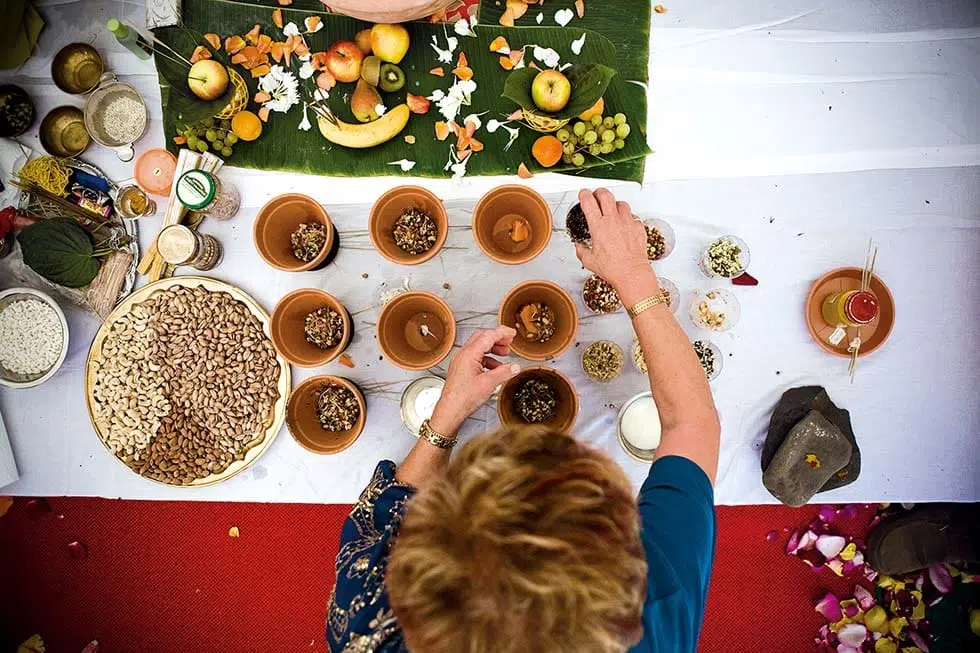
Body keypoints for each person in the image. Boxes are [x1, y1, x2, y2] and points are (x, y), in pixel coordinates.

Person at [327, 188, 721, 653]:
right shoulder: (653, 610)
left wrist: (447, 416)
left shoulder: (369, 621)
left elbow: (387, 511)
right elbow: (691, 424)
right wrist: (635, 277)